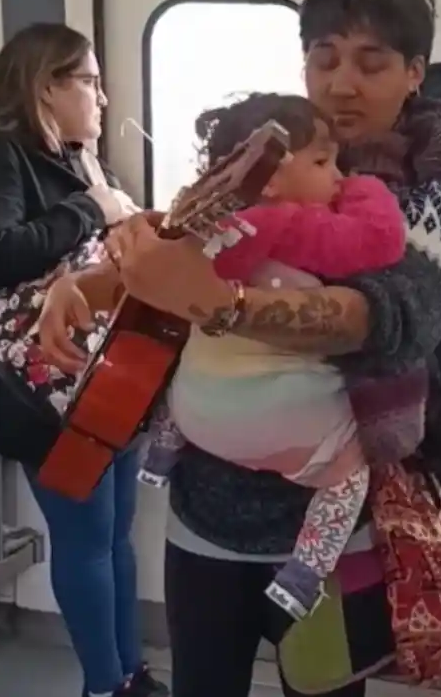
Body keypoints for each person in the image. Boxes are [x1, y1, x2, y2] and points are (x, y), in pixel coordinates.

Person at [37, 0, 441, 697]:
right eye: (324, 58)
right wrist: (94, 281)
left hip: (332, 519)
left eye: (371, 63)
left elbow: (385, 320)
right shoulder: (277, 146)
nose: (341, 83)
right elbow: (191, 233)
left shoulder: (438, 193)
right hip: (206, 508)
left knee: (320, 688)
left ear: (415, 72)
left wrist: (221, 306)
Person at [137, 92, 412, 622]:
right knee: (350, 475)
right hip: (282, 428)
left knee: (198, 349)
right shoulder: (289, 224)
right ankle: (305, 574)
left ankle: (162, 448)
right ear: (267, 177)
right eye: (322, 162)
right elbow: (380, 240)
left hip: (200, 417)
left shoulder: (202, 226)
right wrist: (363, 188)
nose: (337, 175)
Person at [0, 23, 166, 697]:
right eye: (89, 81)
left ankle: (130, 671)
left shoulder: (83, 159)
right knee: (84, 539)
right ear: (46, 86)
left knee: (115, 536)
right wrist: (93, 207)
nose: (103, 98)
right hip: (39, 384)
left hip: (109, 376)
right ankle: (103, 684)